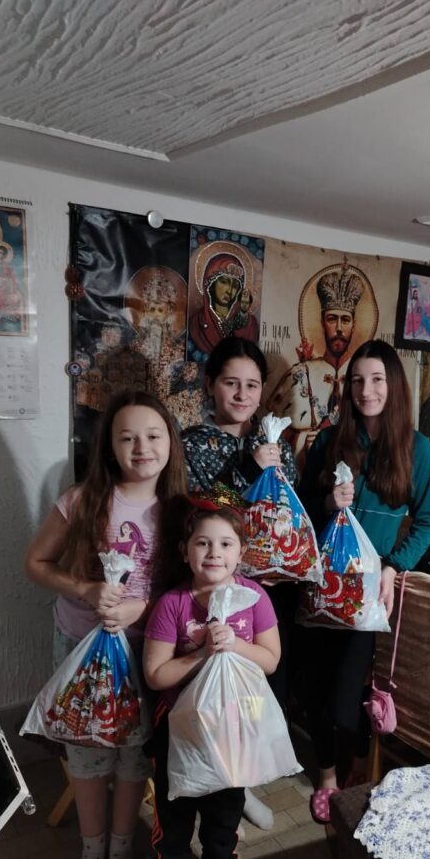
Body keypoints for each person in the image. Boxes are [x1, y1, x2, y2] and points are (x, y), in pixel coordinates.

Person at [24, 391, 187, 859]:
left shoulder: (181, 511)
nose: (142, 448)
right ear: (109, 446)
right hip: (80, 649)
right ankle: (91, 852)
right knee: (88, 752)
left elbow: (193, 587)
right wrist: (86, 589)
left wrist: (144, 607)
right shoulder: (81, 500)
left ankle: (121, 853)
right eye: (127, 437)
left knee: (134, 755)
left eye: (153, 436)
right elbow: (36, 563)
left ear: (170, 442)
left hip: (148, 654)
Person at [298, 339, 430, 824]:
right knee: (315, 692)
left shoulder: (417, 450)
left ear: (393, 385)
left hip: (366, 593)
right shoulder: (327, 442)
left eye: (377, 379)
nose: (366, 390)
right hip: (320, 587)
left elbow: (428, 522)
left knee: (346, 701)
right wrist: (327, 503)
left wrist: (394, 567)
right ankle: (327, 777)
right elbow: (300, 513)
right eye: (357, 380)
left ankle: (358, 755)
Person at [143, 499, 280, 859]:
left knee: (226, 811)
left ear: (241, 553)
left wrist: (234, 645)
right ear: (185, 551)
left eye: (225, 543)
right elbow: (155, 675)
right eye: (203, 543)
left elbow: (271, 660)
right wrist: (202, 652)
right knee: (175, 814)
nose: (214, 552)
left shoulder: (254, 598)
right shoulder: (173, 604)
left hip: (235, 727)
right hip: (180, 727)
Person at [181, 336, 296, 824]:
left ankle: (242, 783)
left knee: (255, 687)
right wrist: (250, 467)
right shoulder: (192, 444)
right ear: (211, 385)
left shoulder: (275, 443)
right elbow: (199, 508)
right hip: (213, 586)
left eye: (252, 385)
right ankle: (213, 780)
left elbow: (288, 510)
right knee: (214, 687)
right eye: (231, 383)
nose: (243, 394)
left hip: (266, 587)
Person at [268, 264, 368, 466]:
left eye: (345, 320)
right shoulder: (300, 374)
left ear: (354, 325)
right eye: (332, 319)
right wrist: (302, 441)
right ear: (322, 322)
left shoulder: (363, 379)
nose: (339, 328)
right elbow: (272, 433)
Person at [188, 251, 259, 357]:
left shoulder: (249, 324)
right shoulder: (196, 322)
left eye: (235, 286)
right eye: (224, 282)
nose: (229, 291)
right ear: (210, 283)